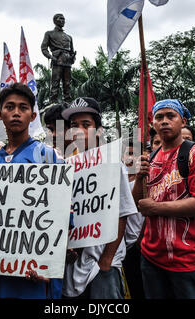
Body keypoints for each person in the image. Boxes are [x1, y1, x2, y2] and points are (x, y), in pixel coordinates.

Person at [0, 82, 65, 299]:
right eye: (10, 107)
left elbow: (61, 216)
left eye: (23, 108)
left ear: (32, 116)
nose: (16, 113)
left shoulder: (49, 157)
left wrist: (47, 262)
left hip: (32, 270)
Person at [132, 99, 195, 299]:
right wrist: (139, 178)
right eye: (159, 117)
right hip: (151, 258)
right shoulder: (150, 158)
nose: (164, 121)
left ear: (183, 121)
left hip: (188, 260)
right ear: (153, 124)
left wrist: (156, 208)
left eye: (171, 116)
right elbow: (138, 203)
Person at [61, 97, 138, 299]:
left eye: (86, 125)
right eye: (74, 125)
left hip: (102, 266)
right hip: (72, 266)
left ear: (99, 130)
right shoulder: (65, 167)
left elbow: (123, 214)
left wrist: (106, 260)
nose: (78, 130)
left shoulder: (112, 164)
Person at [121, 137, 145, 299]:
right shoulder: (117, 179)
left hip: (142, 245)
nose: (131, 157)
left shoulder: (146, 181)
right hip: (123, 248)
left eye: (135, 153)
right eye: (128, 153)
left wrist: (141, 239)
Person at [41, 13, 76, 103]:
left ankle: (68, 102)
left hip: (67, 62)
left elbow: (72, 51)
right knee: (55, 83)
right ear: (55, 21)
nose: (63, 21)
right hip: (57, 60)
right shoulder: (49, 33)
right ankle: (53, 103)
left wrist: (73, 58)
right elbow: (44, 48)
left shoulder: (69, 37)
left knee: (67, 84)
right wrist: (51, 57)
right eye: (61, 19)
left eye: (64, 19)